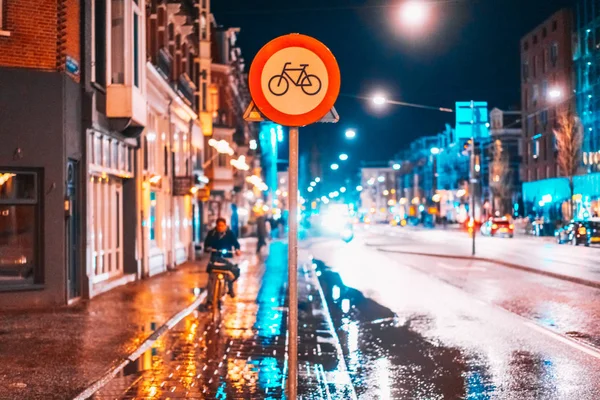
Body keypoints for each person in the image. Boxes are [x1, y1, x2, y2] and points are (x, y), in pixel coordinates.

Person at [204, 218, 242, 306]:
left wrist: (237, 250)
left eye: (222, 225)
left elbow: (236, 243)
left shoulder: (230, 233)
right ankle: (209, 300)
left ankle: (230, 288)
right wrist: (208, 248)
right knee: (211, 278)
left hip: (227, 257)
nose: (220, 227)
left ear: (225, 225)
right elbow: (206, 244)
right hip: (215, 257)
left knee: (229, 273)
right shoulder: (212, 233)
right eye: (219, 226)